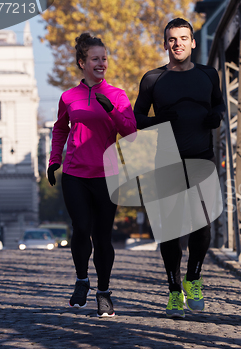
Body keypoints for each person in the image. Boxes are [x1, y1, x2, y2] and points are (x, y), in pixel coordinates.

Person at [134, 18, 225, 318]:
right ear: (165, 44)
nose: (178, 44)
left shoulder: (209, 75)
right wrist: (159, 121)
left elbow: (218, 105)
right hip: (167, 162)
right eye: (172, 39)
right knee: (170, 231)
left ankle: (193, 278)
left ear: (193, 42)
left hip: (202, 158)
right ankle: (174, 291)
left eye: (184, 38)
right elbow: (136, 120)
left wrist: (216, 117)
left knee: (203, 226)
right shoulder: (152, 79)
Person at [47, 33, 137, 317]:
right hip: (74, 173)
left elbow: (131, 134)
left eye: (104, 59)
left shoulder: (117, 95)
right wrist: (54, 159)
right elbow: (60, 129)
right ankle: (82, 280)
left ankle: (104, 292)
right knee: (81, 228)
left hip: (107, 174)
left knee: (102, 236)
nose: (101, 64)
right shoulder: (69, 97)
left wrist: (111, 110)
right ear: (82, 63)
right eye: (95, 59)